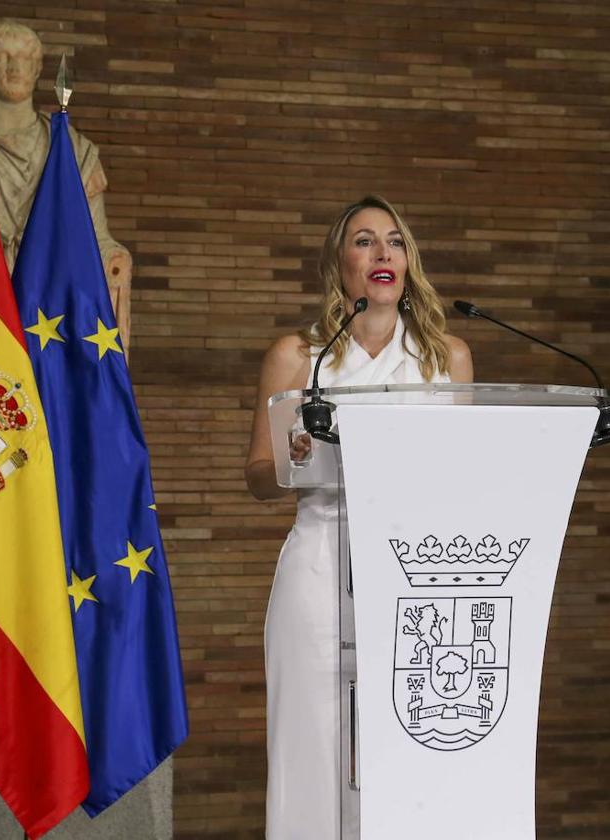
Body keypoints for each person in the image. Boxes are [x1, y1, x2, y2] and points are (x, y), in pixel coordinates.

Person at [245, 195, 472, 839]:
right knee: (312, 740)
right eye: (365, 241)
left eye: (395, 242)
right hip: (320, 563)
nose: (382, 254)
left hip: (413, 570)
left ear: (408, 262)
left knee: (407, 739)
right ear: (339, 262)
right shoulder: (298, 355)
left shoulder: (445, 357)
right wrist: (293, 459)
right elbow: (258, 477)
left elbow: (460, 475)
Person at [0, 20, 134, 345]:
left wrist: (113, 258)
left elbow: (94, 235)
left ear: (37, 69)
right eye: (3, 57)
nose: (14, 66)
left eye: (24, 58)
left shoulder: (73, 149)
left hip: (49, 306)